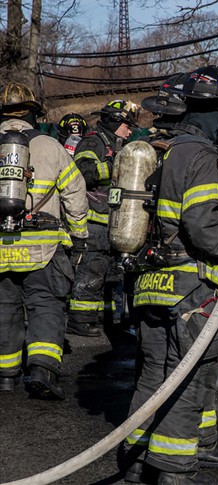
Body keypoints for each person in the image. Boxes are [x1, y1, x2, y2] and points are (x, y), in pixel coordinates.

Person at [119, 66, 218, 485]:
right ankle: (174, 470)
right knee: (188, 381)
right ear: (211, 112)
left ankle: (136, 462)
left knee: (154, 373)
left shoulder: (162, 148)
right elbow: (203, 224)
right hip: (189, 288)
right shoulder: (200, 156)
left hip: (150, 282)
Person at [0, 83, 89, 399]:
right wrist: (79, 234)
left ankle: (6, 376)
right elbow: (75, 195)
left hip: (1, 245)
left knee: (5, 307)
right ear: (33, 113)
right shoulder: (51, 146)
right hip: (43, 244)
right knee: (45, 304)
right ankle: (41, 371)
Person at [67, 100, 140, 337]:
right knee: (92, 271)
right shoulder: (93, 141)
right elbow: (83, 171)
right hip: (93, 221)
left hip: (111, 221)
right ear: (115, 121)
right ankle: (80, 319)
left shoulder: (117, 144)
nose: (130, 130)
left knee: (112, 275)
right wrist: (117, 167)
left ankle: (110, 320)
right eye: (127, 125)